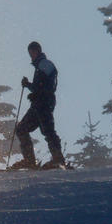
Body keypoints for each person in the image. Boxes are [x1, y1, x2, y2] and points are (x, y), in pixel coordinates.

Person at [10, 41, 66, 170]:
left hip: (43, 104)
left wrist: (35, 92)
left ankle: (57, 160)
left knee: (46, 130)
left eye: (33, 52)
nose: (31, 56)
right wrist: (29, 86)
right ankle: (34, 160)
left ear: (38, 51)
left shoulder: (45, 64)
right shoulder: (41, 66)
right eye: (30, 53)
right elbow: (41, 87)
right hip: (39, 104)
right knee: (23, 129)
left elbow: (48, 86)